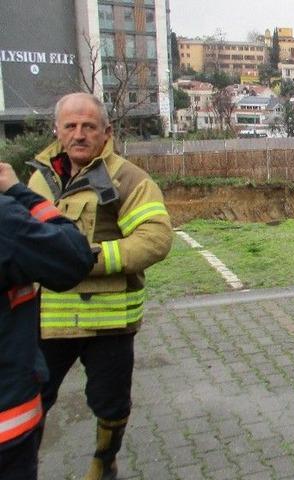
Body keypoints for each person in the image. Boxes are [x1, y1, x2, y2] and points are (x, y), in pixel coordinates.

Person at [27, 92, 172, 480]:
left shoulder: (130, 180)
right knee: (29, 400)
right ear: (57, 130)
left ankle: (104, 463)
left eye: (89, 126)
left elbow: (156, 239)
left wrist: (86, 259)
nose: (79, 134)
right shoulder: (39, 179)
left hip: (108, 322)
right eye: (70, 126)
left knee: (111, 404)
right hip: (48, 320)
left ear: (107, 132)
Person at [0, 162, 94, 480]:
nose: (78, 137)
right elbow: (74, 255)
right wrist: (19, 193)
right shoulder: (6, 220)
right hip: (8, 428)